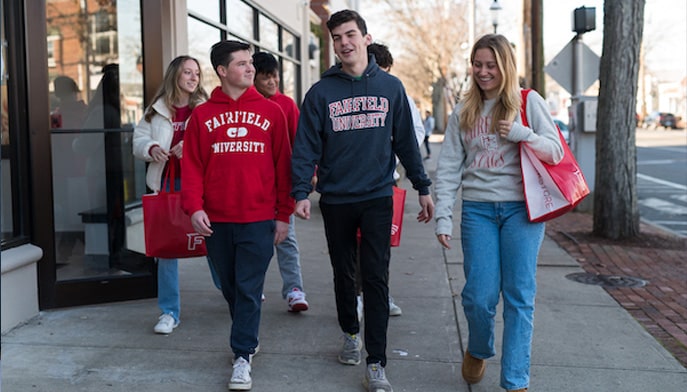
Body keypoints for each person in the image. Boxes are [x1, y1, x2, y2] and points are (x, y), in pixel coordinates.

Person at [291, 10, 434, 392]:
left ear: (366, 39)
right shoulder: (321, 93)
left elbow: (406, 141)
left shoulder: (391, 87)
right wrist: (301, 192)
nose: (344, 43)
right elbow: (305, 146)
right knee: (343, 275)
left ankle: (376, 361)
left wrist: (422, 186)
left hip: (377, 197)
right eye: (337, 37)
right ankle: (350, 332)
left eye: (350, 34)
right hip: (336, 200)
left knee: (375, 278)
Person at [434, 34, 563, 392]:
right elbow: (447, 170)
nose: (483, 72)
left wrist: (524, 134)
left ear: (505, 66)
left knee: (520, 296)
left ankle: (515, 380)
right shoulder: (464, 110)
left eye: (491, 65)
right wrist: (443, 216)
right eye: (478, 65)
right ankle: (478, 347)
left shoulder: (527, 102)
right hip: (478, 211)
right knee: (478, 295)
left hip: (522, 212)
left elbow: (555, 152)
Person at [181, 40, 293, 391]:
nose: (250, 69)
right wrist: (194, 207)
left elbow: (284, 167)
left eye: (250, 64)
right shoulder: (201, 115)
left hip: (259, 218)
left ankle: (242, 355)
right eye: (242, 64)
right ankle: (246, 335)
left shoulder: (272, 112)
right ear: (222, 70)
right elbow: (193, 167)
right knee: (230, 287)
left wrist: (283, 214)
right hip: (217, 220)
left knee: (248, 287)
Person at [132, 55, 211, 334]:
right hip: (166, 185)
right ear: (174, 76)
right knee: (166, 250)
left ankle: (235, 292)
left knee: (214, 244)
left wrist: (188, 144)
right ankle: (169, 312)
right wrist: (152, 148)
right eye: (187, 73)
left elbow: (215, 141)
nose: (193, 78)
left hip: (201, 187)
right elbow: (138, 140)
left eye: (197, 74)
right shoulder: (156, 110)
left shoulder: (206, 108)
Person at [361, 41, 424, 318]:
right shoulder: (350, 92)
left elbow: (415, 133)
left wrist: (392, 152)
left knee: (381, 245)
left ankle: (379, 294)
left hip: (387, 182)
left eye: (385, 71)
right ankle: (356, 297)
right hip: (351, 182)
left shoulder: (398, 94)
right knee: (353, 246)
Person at [251, 51, 309, 312]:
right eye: (266, 78)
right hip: (254, 186)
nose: (272, 82)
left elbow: (301, 142)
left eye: (274, 76)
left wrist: (306, 177)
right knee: (254, 242)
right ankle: (253, 287)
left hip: (283, 185)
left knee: (287, 239)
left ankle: (294, 290)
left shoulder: (286, 105)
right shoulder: (247, 106)